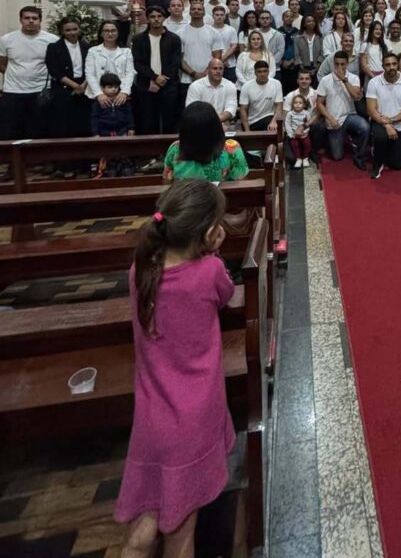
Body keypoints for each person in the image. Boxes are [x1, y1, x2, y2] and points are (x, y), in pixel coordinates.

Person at [115, 180, 236, 554]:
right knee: (181, 534)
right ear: (207, 233)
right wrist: (213, 255)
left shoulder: (141, 270)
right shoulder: (208, 272)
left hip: (151, 416)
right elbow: (226, 294)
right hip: (193, 418)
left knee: (142, 529)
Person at [0, 6, 59, 139]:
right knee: (10, 129)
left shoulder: (52, 39)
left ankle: (38, 159)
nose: (31, 21)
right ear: (20, 20)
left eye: (34, 18)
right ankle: (10, 159)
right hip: (13, 90)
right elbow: (2, 63)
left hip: (41, 91)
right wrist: (17, 75)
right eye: (27, 18)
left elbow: (55, 65)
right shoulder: (7, 39)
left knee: (38, 129)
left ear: (40, 20)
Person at [163, 102, 248, 182]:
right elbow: (241, 182)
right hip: (222, 197)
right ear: (216, 126)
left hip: (184, 196)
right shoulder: (232, 148)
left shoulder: (175, 148)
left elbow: (168, 181)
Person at [131, 5, 182, 135]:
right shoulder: (139, 39)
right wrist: (154, 77)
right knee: (148, 120)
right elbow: (138, 63)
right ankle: (150, 153)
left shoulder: (174, 39)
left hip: (169, 84)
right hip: (146, 84)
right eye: (152, 16)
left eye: (159, 16)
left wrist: (162, 79)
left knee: (169, 120)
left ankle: (168, 151)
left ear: (164, 18)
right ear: (148, 19)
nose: (156, 19)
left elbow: (175, 62)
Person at [316, 51, 369, 170]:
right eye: (337, 64)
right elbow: (319, 103)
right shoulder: (325, 80)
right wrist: (330, 119)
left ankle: (359, 156)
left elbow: (356, 96)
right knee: (337, 156)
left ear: (347, 64)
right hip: (334, 120)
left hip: (349, 116)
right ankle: (334, 141)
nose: (340, 67)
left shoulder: (353, 78)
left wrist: (344, 80)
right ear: (334, 64)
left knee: (365, 127)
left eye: (343, 64)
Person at [366, 52, 401, 178]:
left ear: (398, 65)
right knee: (381, 138)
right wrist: (386, 124)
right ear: (383, 66)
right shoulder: (374, 82)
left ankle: (382, 150)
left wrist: (392, 121)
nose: (391, 67)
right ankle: (377, 162)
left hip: (397, 123)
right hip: (379, 121)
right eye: (388, 65)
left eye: (394, 64)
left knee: (397, 165)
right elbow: (371, 109)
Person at [44, 15, 90, 143]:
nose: (72, 33)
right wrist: (75, 86)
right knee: (63, 126)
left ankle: (83, 160)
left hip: (84, 89)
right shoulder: (54, 47)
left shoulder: (86, 46)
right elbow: (54, 70)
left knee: (82, 124)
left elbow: (92, 68)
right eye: (68, 30)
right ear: (62, 32)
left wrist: (83, 85)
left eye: (75, 29)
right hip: (63, 89)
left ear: (79, 29)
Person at [178, 1, 223, 105]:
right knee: (188, 110)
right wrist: (193, 73)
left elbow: (217, 57)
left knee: (208, 108)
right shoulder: (180, 33)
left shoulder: (213, 32)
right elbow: (179, 58)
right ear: (189, 12)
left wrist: (206, 72)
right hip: (186, 79)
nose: (196, 11)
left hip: (208, 78)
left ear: (204, 13)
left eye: (199, 9)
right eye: (193, 9)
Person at [91, 72, 135, 176]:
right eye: (110, 87)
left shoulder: (124, 101)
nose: (114, 89)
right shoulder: (98, 103)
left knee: (123, 151)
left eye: (116, 87)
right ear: (102, 88)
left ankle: (125, 167)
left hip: (122, 130)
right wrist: (95, 133)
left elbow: (129, 115)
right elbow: (94, 118)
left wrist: (131, 128)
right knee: (108, 153)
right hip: (105, 132)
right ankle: (109, 168)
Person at [85, 19, 135, 108]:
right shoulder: (93, 51)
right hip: (99, 97)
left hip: (120, 96)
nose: (110, 34)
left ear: (118, 33)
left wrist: (124, 92)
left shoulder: (126, 51)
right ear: (101, 33)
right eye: (106, 31)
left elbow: (130, 73)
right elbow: (90, 74)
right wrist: (99, 94)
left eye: (113, 31)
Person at [185, 58, 238, 124]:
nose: (218, 71)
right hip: (199, 124)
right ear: (208, 70)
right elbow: (191, 110)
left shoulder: (230, 86)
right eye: (215, 68)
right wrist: (212, 123)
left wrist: (215, 122)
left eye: (221, 68)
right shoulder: (195, 86)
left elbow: (231, 109)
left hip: (222, 123)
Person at [239, 60, 283, 131]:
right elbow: (243, 109)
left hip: (270, 118)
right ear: (255, 73)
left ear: (268, 72)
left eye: (265, 71)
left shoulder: (276, 84)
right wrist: (247, 131)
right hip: (253, 122)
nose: (262, 74)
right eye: (259, 72)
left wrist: (274, 121)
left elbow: (279, 105)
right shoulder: (246, 87)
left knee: (278, 127)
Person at [211, 5, 238, 82]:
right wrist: (218, 61)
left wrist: (221, 60)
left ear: (225, 16)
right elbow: (207, 48)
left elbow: (234, 47)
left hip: (230, 65)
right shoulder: (208, 30)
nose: (219, 17)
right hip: (213, 65)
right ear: (213, 16)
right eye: (217, 15)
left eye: (221, 15)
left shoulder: (231, 30)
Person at [294, 13, 323, 82]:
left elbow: (322, 53)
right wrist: (303, 69)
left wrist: (316, 68)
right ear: (304, 24)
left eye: (313, 21)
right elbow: (296, 54)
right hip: (302, 67)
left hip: (317, 67)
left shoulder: (319, 37)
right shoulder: (298, 37)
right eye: (308, 21)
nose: (311, 23)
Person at [286, 93, 312, 168]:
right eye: (295, 103)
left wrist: (304, 132)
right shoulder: (290, 114)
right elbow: (287, 124)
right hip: (294, 135)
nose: (297, 105)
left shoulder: (306, 113)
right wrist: (291, 134)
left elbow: (308, 124)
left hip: (304, 135)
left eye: (300, 103)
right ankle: (298, 158)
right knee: (294, 144)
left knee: (307, 143)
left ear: (304, 105)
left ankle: (305, 158)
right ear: (292, 104)